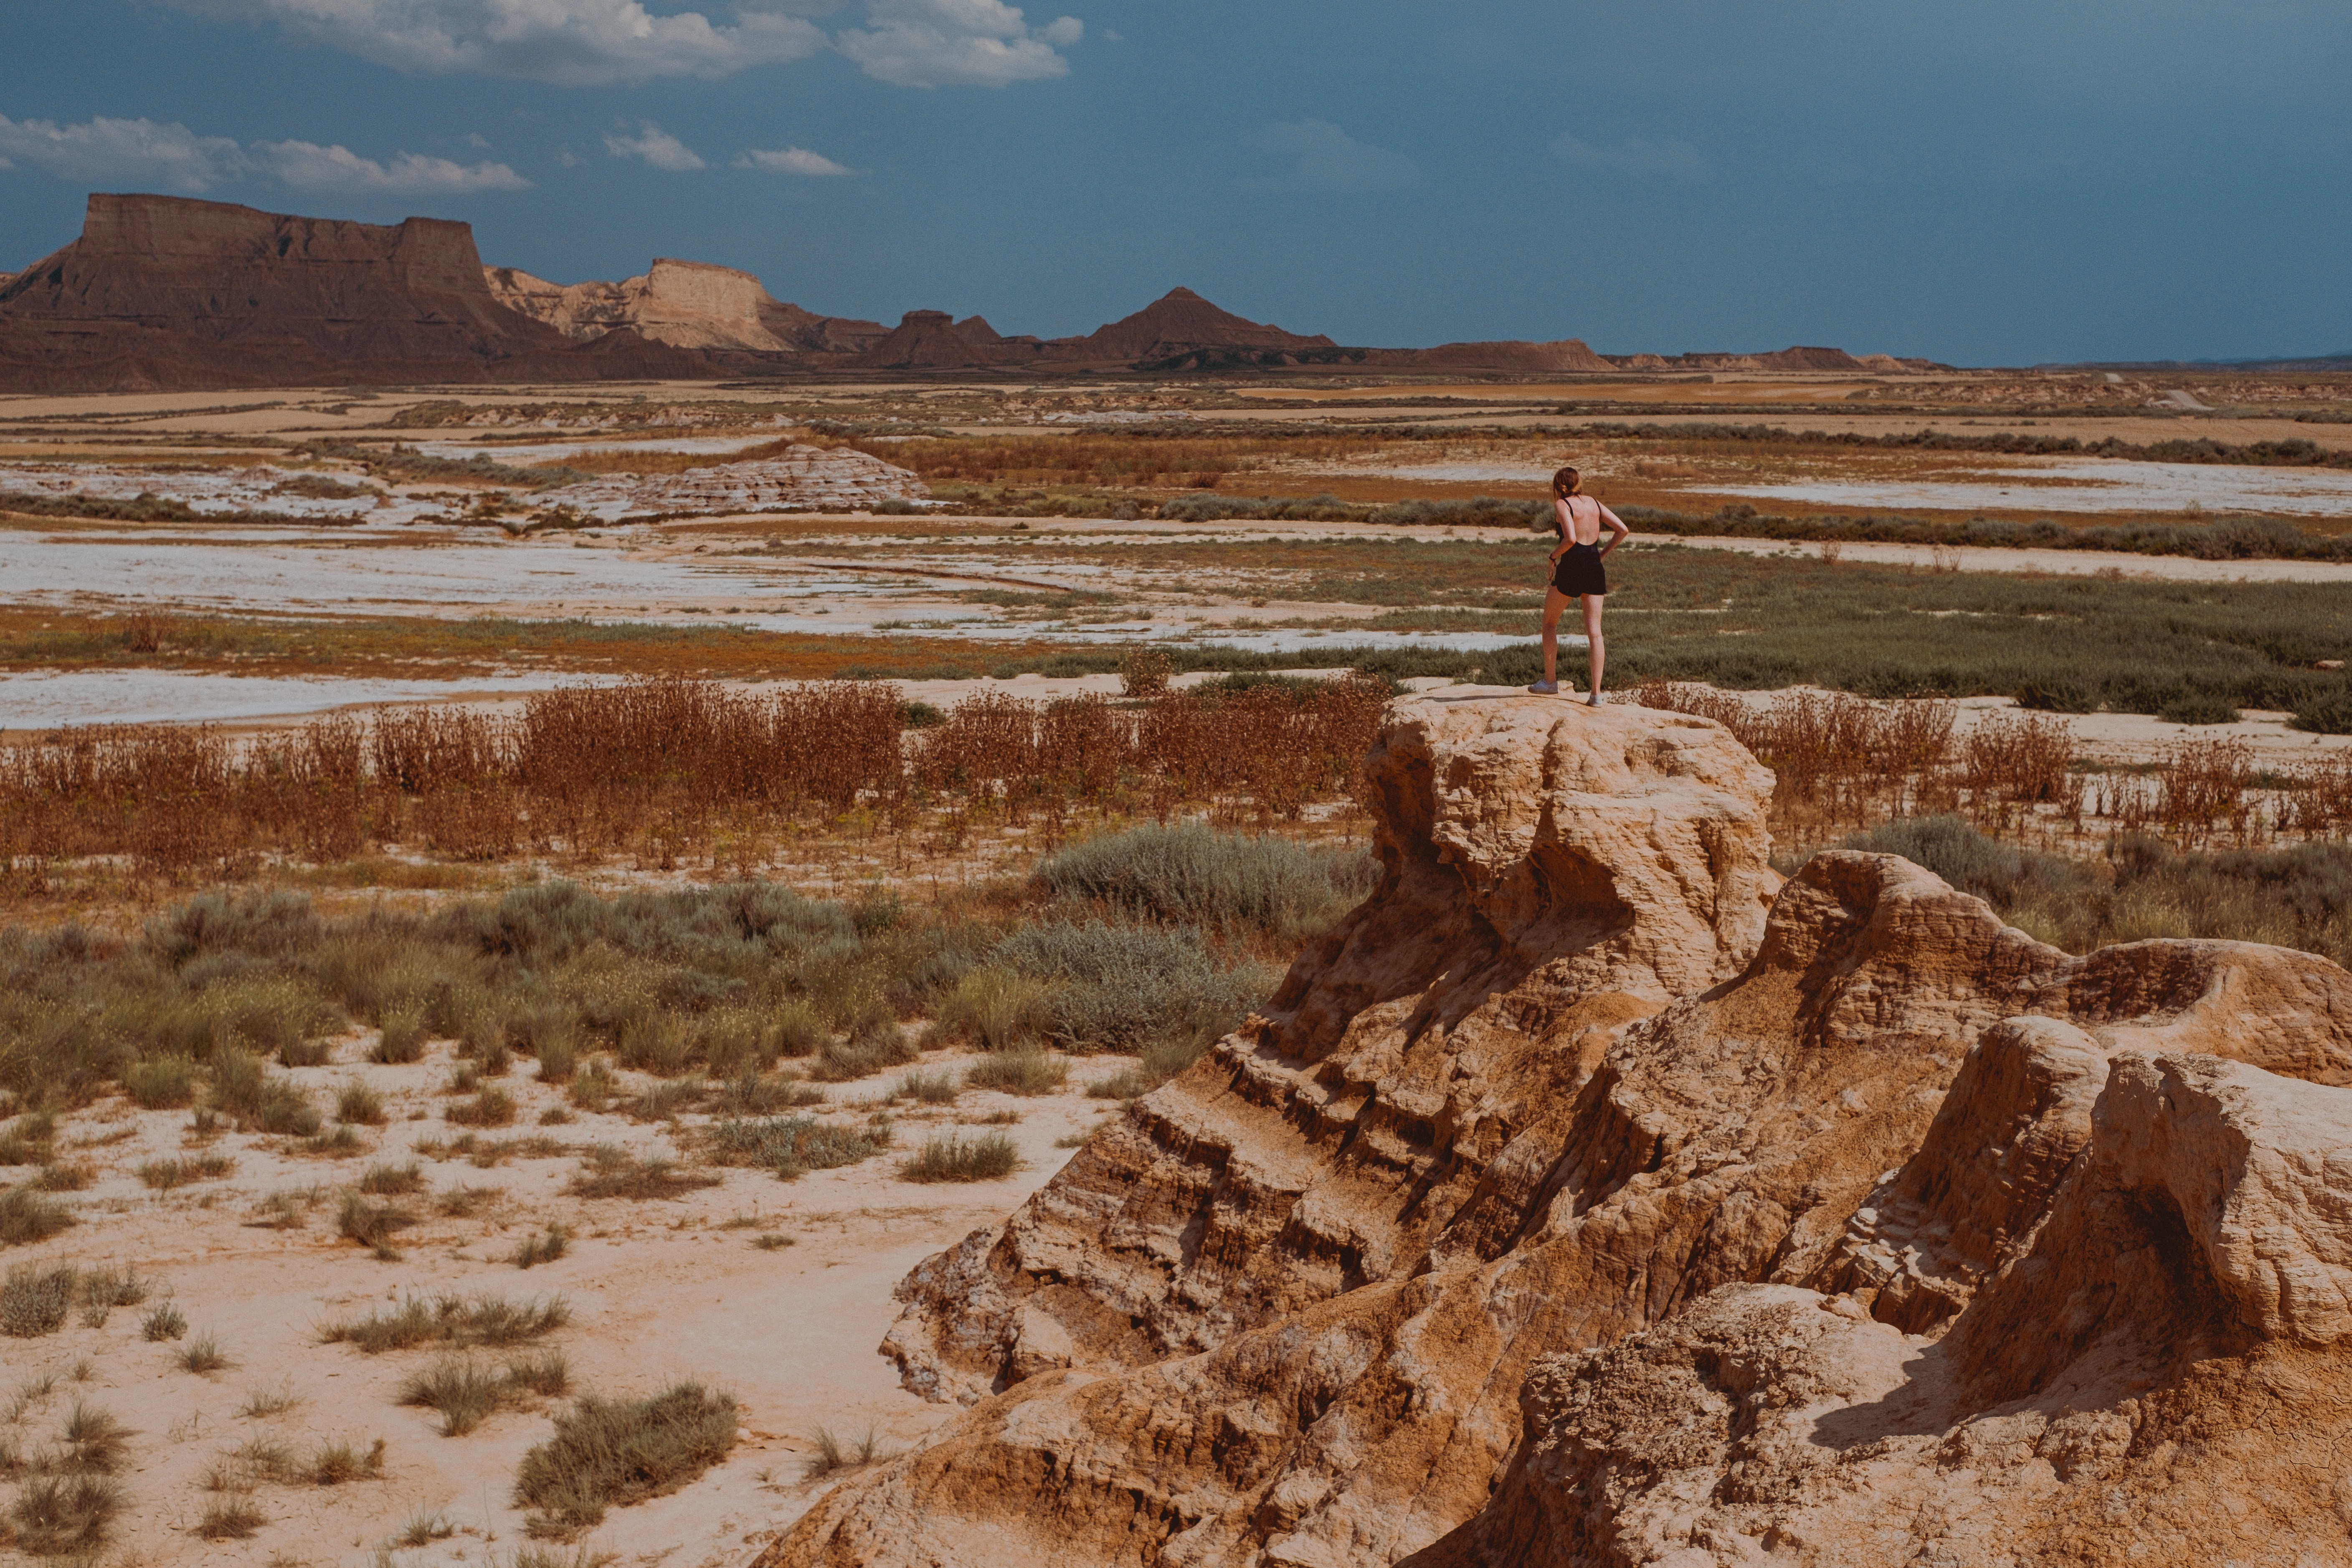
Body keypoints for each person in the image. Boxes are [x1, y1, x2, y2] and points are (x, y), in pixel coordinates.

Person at [1528, 465, 1630, 703]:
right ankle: (1596, 694)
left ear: (1558, 486)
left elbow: (1571, 539)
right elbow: (1622, 529)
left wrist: (1553, 557)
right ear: (1578, 483)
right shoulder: (1594, 503)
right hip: (1594, 568)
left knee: (1549, 623)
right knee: (1595, 633)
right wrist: (1602, 554)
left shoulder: (1563, 505)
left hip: (1571, 568)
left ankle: (1550, 682)